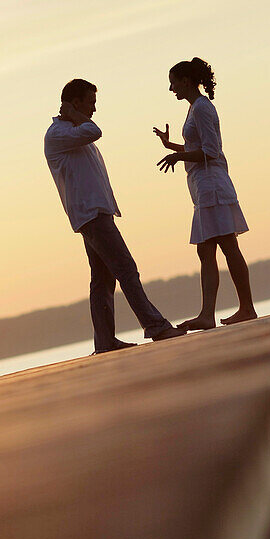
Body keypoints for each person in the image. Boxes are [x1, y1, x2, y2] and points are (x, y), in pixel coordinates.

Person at [45, 78, 185, 353]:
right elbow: (95, 131)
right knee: (126, 269)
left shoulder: (74, 131)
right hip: (91, 215)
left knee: (103, 279)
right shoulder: (60, 133)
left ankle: (105, 341)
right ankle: (156, 326)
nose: (94, 109)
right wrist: (75, 116)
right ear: (75, 104)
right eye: (90, 102)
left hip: (96, 213)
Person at [154, 58, 257, 330]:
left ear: (186, 81)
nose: (171, 88)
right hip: (203, 188)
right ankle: (208, 315)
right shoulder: (194, 109)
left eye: (173, 82)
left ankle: (245, 308)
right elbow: (196, 146)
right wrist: (172, 146)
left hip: (212, 185)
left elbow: (211, 151)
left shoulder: (201, 108)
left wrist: (178, 157)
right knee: (207, 249)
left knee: (227, 245)